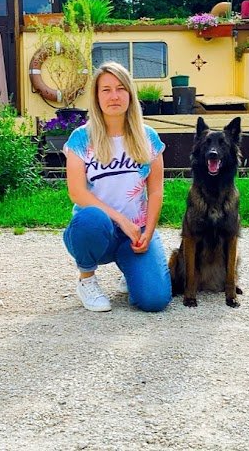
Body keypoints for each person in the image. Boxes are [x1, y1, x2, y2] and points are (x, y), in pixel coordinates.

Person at [62, 62, 172, 313]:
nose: (114, 96)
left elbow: (155, 191)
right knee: (91, 219)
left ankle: (131, 268)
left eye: (121, 89)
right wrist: (121, 220)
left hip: (136, 231)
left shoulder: (148, 137)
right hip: (97, 229)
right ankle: (86, 279)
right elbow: (77, 192)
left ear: (130, 95)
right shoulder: (81, 138)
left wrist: (148, 230)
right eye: (106, 90)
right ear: (96, 97)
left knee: (155, 300)